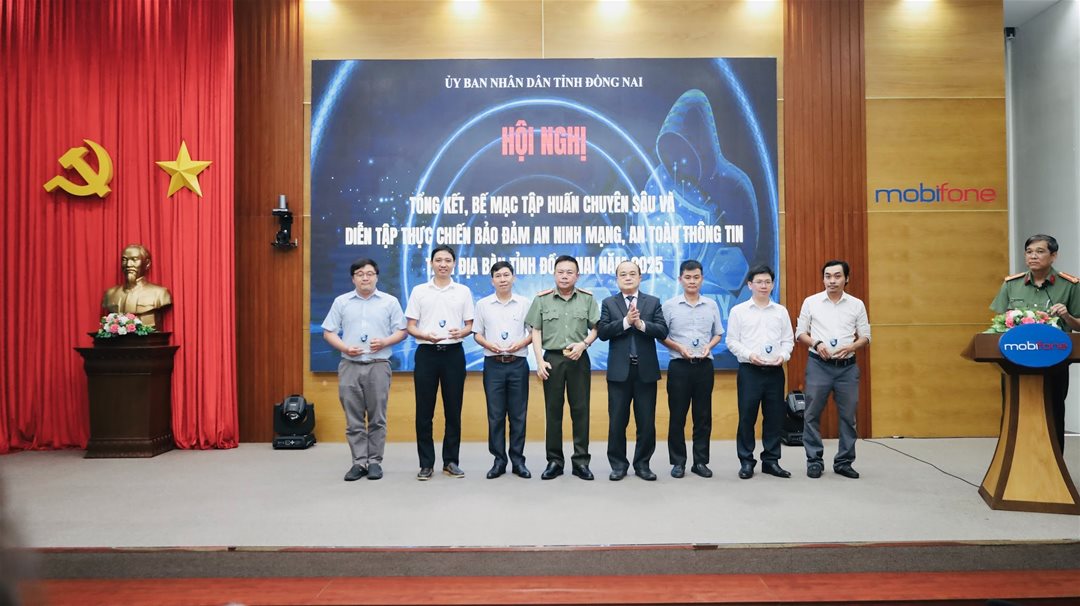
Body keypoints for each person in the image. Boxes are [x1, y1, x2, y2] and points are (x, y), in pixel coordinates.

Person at [990, 234, 1080, 453]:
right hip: (1015, 360)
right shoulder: (1012, 284)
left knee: (1053, 412)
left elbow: (1079, 326)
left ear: (1053, 256)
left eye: (1040, 251)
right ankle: (1014, 463)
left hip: (1054, 361)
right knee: (1014, 413)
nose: (1033, 256)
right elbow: (998, 322)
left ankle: (1053, 465)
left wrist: (1066, 316)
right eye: (1029, 252)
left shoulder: (1069, 285)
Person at [322, 258, 407, 481]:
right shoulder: (342, 302)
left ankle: (375, 462)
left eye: (369, 273)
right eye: (360, 274)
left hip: (379, 365)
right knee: (354, 418)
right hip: (349, 365)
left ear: (377, 277)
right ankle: (359, 462)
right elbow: (329, 332)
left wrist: (385, 342)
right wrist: (345, 348)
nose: (365, 278)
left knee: (378, 417)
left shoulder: (389, 302)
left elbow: (402, 331)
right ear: (353, 279)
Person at [795, 259, 871, 479]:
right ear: (823, 279)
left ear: (846, 279)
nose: (832, 281)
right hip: (818, 365)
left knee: (848, 417)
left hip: (847, 368)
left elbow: (866, 336)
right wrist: (816, 343)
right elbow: (800, 333)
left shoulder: (856, 304)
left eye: (837, 276)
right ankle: (814, 461)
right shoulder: (811, 302)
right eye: (828, 276)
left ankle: (844, 462)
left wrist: (852, 346)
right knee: (811, 414)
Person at [526, 255, 599, 481]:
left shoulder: (587, 299)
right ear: (554, 274)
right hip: (552, 360)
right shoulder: (542, 299)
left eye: (569, 272)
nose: (565, 276)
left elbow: (597, 327)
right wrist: (539, 361)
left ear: (577, 275)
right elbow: (536, 330)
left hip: (579, 358)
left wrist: (584, 344)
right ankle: (554, 461)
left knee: (581, 411)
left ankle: (581, 462)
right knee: (553, 411)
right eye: (560, 272)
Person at [405, 244, 475, 480]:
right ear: (431, 263)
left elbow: (470, 325)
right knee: (424, 412)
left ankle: (451, 461)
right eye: (438, 260)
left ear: (454, 264)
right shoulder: (419, 291)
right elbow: (410, 326)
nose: (443, 264)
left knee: (453, 410)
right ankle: (426, 464)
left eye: (447, 260)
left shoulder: (463, 291)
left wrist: (461, 332)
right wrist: (425, 335)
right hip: (427, 354)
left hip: (453, 354)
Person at [598, 260, 668, 481]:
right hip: (619, 373)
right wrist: (626, 322)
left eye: (632, 274)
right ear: (616, 279)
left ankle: (643, 464)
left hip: (645, 372)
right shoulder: (609, 303)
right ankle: (618, 465)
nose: (627, 277)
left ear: (640, 277)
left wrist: (641, 325)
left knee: (646, 422)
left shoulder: (652, 302)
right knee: (617, 422)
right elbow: (603, 332)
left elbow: (663, 331)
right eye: (623, 274)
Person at [726, 265, 794, 480]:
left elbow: (788, 340)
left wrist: (783, 356)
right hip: (750, 371)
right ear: (750, 285)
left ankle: (771, 461)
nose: (764, 286)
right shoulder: (739, 311)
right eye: (759, 282)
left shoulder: (781, 311)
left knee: (774, 417)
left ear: (772, 285)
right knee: (747, 417)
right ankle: (746, 461)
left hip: (775, 371)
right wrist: (749, 355)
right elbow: (731, 341)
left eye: (767, 282)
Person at [661, 260, 724, 479]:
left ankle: (700, 462)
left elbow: (718, 333)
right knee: (677, 416)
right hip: (679, 366)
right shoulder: (669, 305)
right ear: (680, 280)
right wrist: (679, 348)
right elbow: (662, 336)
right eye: (687, 277)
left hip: (704, 366)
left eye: (696, 277)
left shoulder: (711, 305)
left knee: (703, 416)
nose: (692, 281)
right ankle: (678, 462)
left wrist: (709, 346)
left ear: (702, 279)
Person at [473, 261, 533, 479]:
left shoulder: (525, 303)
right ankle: (499, 461)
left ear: (513, 278)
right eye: (498, 276)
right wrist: (488, 345)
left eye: (506, 275)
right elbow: (477, 334)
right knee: (495, 415)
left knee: (518, 415)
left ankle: (518, 461)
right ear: (492, 281)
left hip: (518, 364)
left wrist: (521, 343)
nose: (503, 279)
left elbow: (533, 332)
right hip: (493, 365)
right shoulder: (483, 304)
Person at [102, 243, 172, 329]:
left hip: (149, 337)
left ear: (147, 264)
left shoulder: (160, 294)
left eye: (134, 260)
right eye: (124, 260)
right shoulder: (110, 294)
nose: (128, 264)